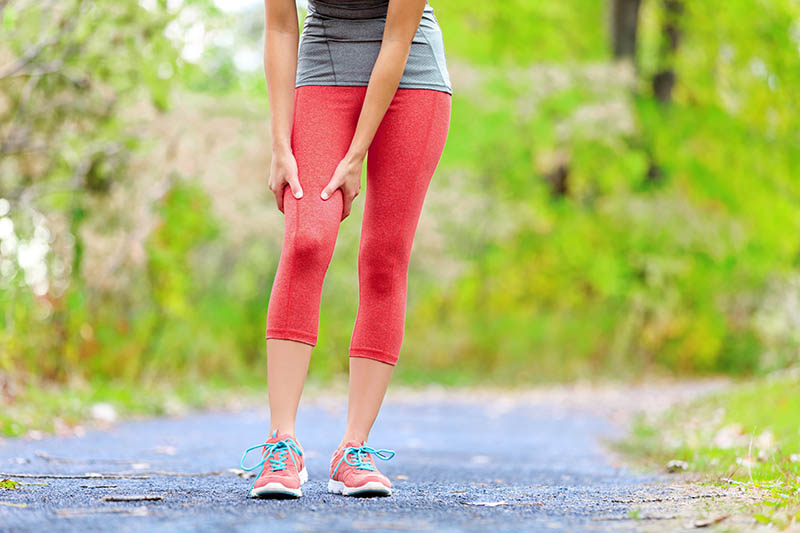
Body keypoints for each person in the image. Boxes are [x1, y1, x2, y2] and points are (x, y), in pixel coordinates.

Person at [239, 0, 452, 498]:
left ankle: (354, 448)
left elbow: (396, 39)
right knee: (307, 239)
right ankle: (282, 444)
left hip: (412, 75)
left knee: (384, 258)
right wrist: (279, 145)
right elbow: (278, 25)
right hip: (324, 66)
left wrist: (357, 153)